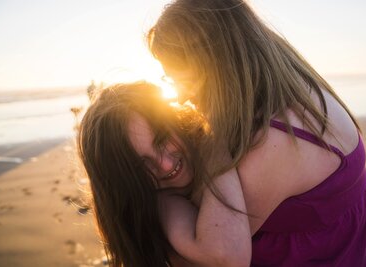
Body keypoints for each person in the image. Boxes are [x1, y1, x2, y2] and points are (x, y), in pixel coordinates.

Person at [147, 0, 366, 266]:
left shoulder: (271, 143)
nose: (179, 97)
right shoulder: (302, 89)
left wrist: (161, 202)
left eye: (182, 79)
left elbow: (214, 254)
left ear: (214, 66)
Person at [77, 81, 250, 267]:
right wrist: (214, 142)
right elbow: (227, 254)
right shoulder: (161, 205)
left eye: (162, 139)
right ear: (122, 181)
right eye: (142, 165)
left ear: (177, 121)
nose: (166, 165)